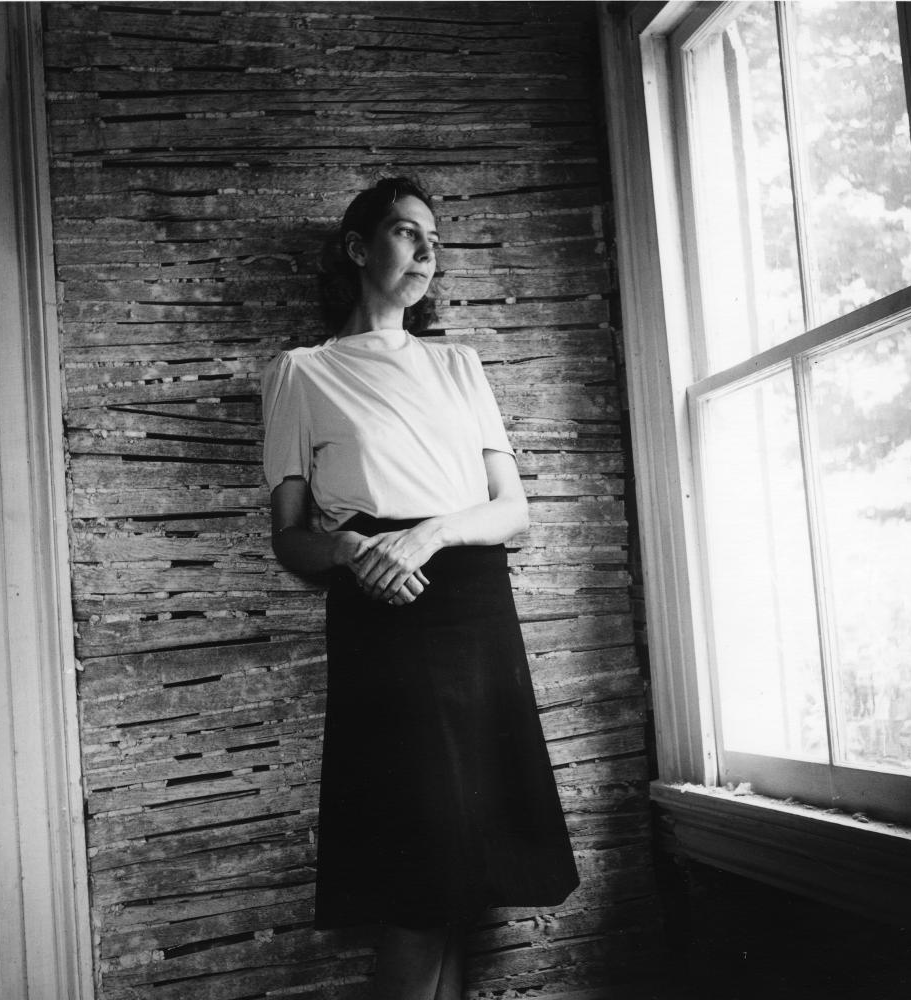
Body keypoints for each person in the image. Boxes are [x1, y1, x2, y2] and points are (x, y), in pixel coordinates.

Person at [261, 177, 578, 1000]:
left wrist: (429, 533)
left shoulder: (458, 365)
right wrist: (353, 551)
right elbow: (291, 539)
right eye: (407, 233)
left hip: (473, 609)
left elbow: (513, 514)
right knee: (417, 879)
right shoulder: (302, 372)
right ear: (359, 248)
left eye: (435, 239)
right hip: (382, 619)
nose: (428, 252)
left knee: (463, 871)